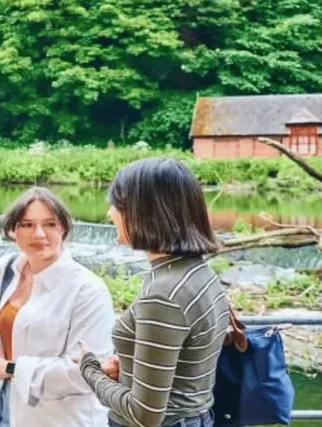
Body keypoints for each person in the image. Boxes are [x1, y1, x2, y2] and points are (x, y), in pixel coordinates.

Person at [77, 157, 228, 427]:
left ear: (144, 212)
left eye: (117, 205)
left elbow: (144, 415)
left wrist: (89, 368)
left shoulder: (163, 294)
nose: (110, 213)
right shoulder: (195, 271)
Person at [0, 187, 116, 427]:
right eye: (27, 225)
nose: (39, 234)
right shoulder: (4, 270)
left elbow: (87, 373)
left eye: (50, 224)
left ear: (63, 228)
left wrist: (10, 368)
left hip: (61, 418)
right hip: (3, 409)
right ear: (13, 230)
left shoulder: (87, 290)